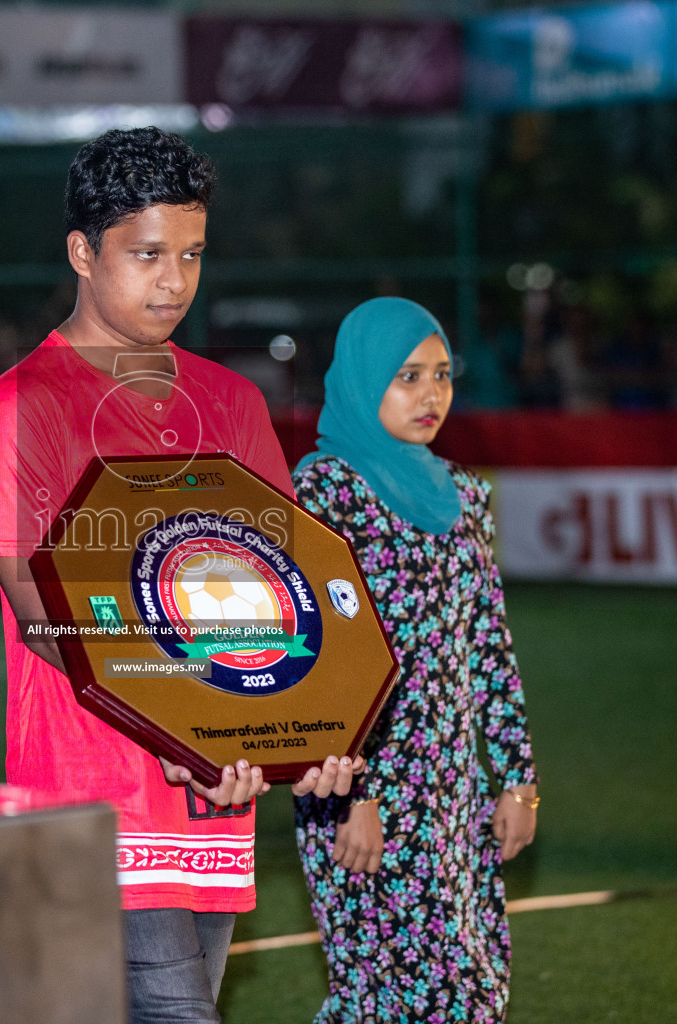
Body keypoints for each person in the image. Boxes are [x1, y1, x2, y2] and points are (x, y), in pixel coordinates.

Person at [0, 127, 361, 1024]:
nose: (174, 280)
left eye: (190, 254)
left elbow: (280, 595)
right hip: (90, 796)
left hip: (217, 801)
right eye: (147, 254)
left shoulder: (233, 401)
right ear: (81, 251)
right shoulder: (23, 408)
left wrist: (305, 733)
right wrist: (198, 730)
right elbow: (41, 616)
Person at [292, 297, 539, 1023]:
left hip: (452, 789)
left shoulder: (465, 495)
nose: (431, 395)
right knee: (396, 992)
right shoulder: (326, 492)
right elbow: (315, 659)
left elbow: (489, 646)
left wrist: (518, 780)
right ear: (364, 379)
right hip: (362, 787)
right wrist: (351, 796)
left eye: (440, 375)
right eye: (406, 376)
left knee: (471, 981)